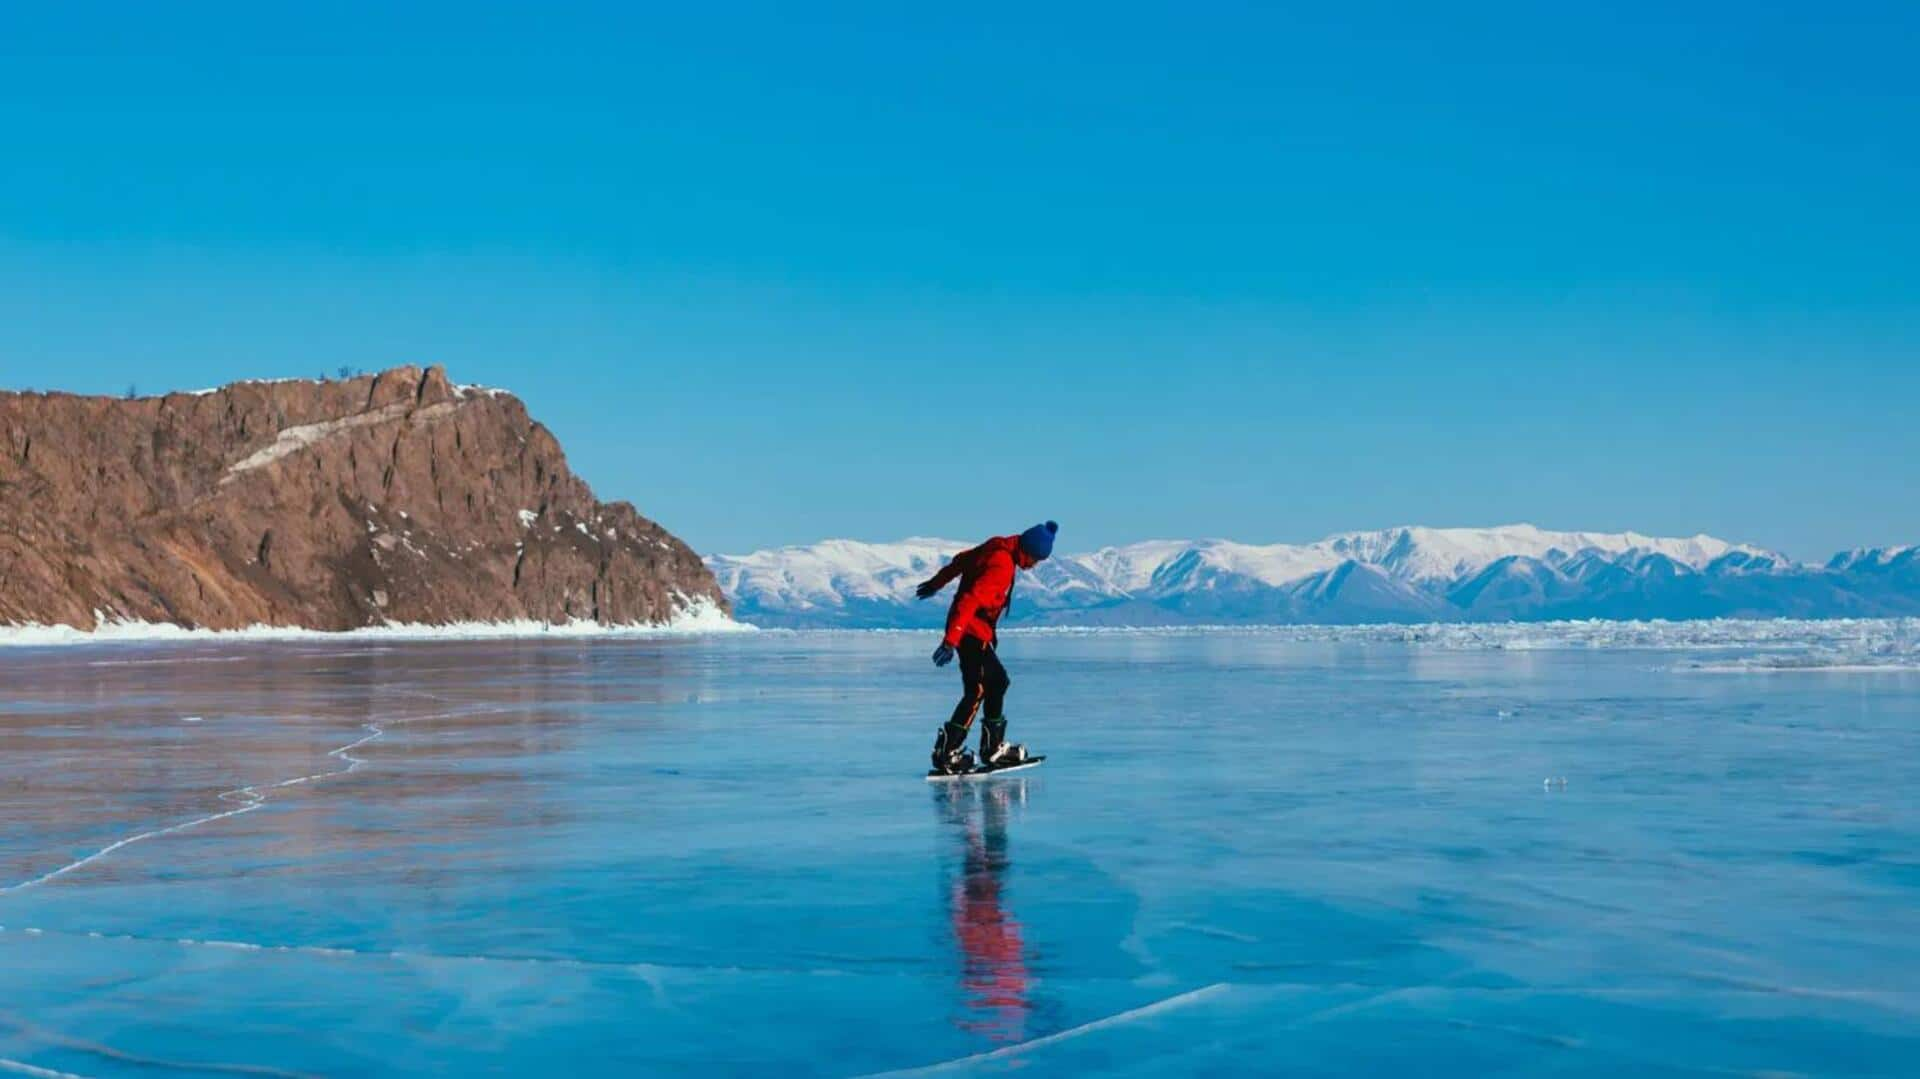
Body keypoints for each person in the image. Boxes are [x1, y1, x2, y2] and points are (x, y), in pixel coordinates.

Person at [914, 521, 1057, 774]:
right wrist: (951, 640)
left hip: (976, 631)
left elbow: (960, 561)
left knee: (999, 681)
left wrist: (937, 583)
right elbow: (970, 600)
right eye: (1035, 559)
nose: (1034, 565)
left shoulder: (998, 545)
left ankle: (993, 748)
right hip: (968, 629)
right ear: (1027, 551)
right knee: (977, 689)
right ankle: (947, 753)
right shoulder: (1001, 564)